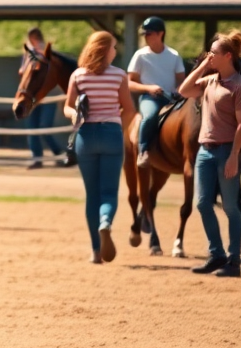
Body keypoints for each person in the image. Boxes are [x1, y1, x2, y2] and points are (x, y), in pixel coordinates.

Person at [178, 30, 241, 278]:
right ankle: (217, 254)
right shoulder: (210, 81)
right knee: (202, 203)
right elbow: (184, 90)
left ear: (228, 56)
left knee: (231, 207)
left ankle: (234, 261)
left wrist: (233, 157)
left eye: (213, 53)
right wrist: (202, 67)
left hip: (226, 151)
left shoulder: (240, 86)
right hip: (205, 152)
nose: (209, 56)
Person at [64, 31, 134, 264]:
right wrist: (118, 128)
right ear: (105, 50)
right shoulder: (119, 75)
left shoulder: (78, 75)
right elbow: (129, 110)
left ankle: (95, 251)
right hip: (111, 134)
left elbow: (67, 107)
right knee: (109, 193)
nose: (115, 51)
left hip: (86, 136)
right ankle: (106, 222)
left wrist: (75, 115)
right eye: (113, 47)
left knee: (92, 195)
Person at [127, 16, 184, 168]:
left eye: (149, 33)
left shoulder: (173, 55)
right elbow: (129, 83)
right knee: (149, 116)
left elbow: (181, 81)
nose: (146, 37)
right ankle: (143, 151)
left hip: (171, 99)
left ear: (160, 34)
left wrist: (178, 91)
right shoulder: (140, 55)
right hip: (150, 98)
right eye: (145, 34)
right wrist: (148, 88)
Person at [20, 27, 64, 168]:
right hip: (32, 97)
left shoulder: (48, 52)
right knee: (32, 128)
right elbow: (23, 72)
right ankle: (37, 158)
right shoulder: (28, 53)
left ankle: (58, 154)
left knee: (45, 127)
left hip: (48, 96)